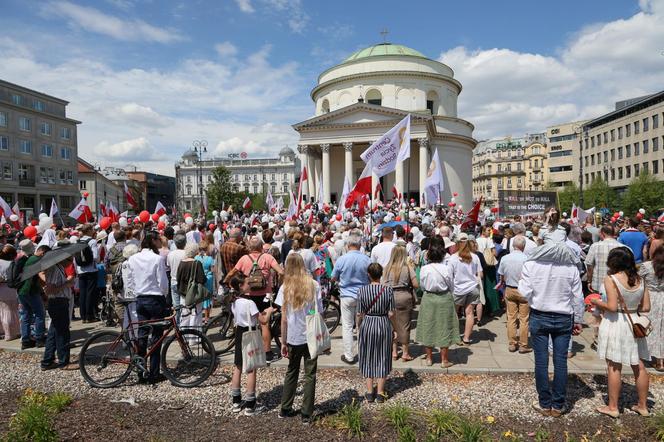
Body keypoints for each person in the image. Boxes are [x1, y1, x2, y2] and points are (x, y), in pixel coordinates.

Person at [518, 242, 584, 417]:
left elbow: (524, 291)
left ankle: (545, 403)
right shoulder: (571, 269)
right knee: (560, 361)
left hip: (540, 314)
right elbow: (578, 297)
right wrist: (578, 319)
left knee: (541, 361)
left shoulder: (531, 265)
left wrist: (536, 297)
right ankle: (558, 404)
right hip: (563, 316)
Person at [591, 247, 650, 417]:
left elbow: (611, 306)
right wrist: (632, 306)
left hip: (616, 323)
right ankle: (643, 405)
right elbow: (646, 307)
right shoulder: (640, 279)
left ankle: (613, 407)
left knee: (614, 366)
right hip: (634, 323)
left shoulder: (611, 279)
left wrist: (596, 301)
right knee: (638, 365)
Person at [276, 253, 323, 424]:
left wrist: (283, 341)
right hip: (310, 334)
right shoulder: (314, 285)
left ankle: (285, 407)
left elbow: (284, 318)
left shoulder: (285, 287)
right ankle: (306, 413)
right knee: (310, 374)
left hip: (294, 336)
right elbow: (319, 311)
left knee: (292, 371)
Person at [228, 236, 283, 363]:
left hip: (248, 295)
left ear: (250, 247)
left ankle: (248, 349)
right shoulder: (267, 257)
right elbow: (281, 272)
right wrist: (278, 285)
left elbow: (232, 273)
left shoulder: (244, 258)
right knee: (264, 324)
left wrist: (226, 281)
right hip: (264, 295)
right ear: (261, 246)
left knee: (248, 323)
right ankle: (267, 353)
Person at [126, 231, 169, 383]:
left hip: (140, 299)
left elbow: (130, 280)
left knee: (142, 335)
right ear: (154, 241)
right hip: (155, 298)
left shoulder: (133, 258)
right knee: (157, 336)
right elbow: (163, 282)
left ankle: (140, 370)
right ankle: (154, 373)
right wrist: (164, 295)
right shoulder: (157, 259)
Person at [415, 237, 459, 367]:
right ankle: (444, 360)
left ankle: (429, 358)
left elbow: (422, 286)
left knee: (428, 325)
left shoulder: (424, 269)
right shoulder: (447, 269)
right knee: (444, 326)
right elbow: (452, 286)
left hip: (428, 298)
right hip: (444, 297)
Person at [357, 263, 395, 402]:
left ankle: (369, 391)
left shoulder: (361, 291)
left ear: (368, 274)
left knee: (367, 355)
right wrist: (394, 328)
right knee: (383, 355)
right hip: (383, 323)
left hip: (368, 324)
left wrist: (358, 326)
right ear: (381, 274)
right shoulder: (388, 290)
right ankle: (380, 392)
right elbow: (391, 313)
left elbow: (360, 313)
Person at [331, 230, 370, 364]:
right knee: (362, 325)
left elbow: (333, 277)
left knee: (347, 326)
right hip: (363, 295)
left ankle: (349, 355)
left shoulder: (342, 259)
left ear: (348, 245)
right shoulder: (366, 259)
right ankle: (364, 353)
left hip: (347, 294)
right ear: (360, 245)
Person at [227, 273, 264, 415]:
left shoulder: (235, 301)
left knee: (238, 366)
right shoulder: (250, 303)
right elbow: (263, 320)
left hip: (239, 333)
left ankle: (236, 401)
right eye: (248, 282)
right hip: (250, 334)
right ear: (241, 286)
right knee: (251, 368)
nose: (250, 284)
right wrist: (269, 311)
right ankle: (250, 404)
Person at [39, 246, 75, 370]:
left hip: (58, 302)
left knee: (53, 332)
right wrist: (67, 284)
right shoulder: (54, 268)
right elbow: (50, 289)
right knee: (62, 333)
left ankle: (47, 361)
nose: (71, 260)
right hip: (58, 302)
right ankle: (64, 362)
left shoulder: (58, 267)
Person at [381, 245, 418, 362]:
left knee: (392, 325)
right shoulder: (407, 268)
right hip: (404, 296)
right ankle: (405, 353)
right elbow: (416, 284)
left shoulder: (386, 268)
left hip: (389, 297)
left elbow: (383, 285)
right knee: (405, 325)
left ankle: (394, 351)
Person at [496, 236, 531, 353]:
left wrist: (501, 282)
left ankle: (512, 343)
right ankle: (523, 344)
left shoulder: (505, 258)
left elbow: (501, 274)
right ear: (523, 246)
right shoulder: (528, 259)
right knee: (524, 319)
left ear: (513, 246)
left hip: (510, 288)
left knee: (511, 317)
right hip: (523, 290)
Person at [448, 236, 482, 345]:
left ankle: (456, 336)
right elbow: (480, 273)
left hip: (458, 289)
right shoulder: (475, 257)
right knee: (470, 313)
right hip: (473, 287)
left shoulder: (453, 258)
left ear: (457, 244)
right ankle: (466, 338)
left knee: (455, 313)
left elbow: (449, 275)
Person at [638, 246, 664, 371]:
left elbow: (638, 280)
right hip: (663, 296)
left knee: (647, 326)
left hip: (649, 297)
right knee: (661, 329)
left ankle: (644, 355)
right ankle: (660, 361)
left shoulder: (647, 266)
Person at [17, 240, 47, 349]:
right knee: (39, 313)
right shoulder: (34, 259)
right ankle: (39, 338)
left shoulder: (22, 258)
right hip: (31, 291)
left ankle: (25, 340)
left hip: (21, 290)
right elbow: (38, 277)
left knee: (25, 315)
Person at [176, 243, 208, 332]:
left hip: (183, 293)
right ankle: (194, 338)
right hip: (194, 294)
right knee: (195, 315)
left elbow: (178, 277)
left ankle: (184, 336)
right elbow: (202, 279)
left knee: (185, 315)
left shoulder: (181, 263)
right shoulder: (197, 263)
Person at [76, 224, 100, 323]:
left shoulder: (78, 241)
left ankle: (83, 316)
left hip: (81, 270)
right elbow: (95, 257)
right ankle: (90, 316)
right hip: (91, 270)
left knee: (83, 293)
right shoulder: (92, 241)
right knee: (90, 293)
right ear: (89, 230)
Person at [0, 245, 20, 341]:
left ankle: (2, 332)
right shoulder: (11, 264)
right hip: (9, 288)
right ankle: (10, 334)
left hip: (1, 288)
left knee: (2, 311)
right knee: (10, 311)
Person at [166, 234, 187, 323]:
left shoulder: (170, 254)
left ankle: (178, 324)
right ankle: (183, 324)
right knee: (185, 304)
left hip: (174, 281)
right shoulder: (186, 253)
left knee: (176, 305)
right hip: (183, 282)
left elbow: (168, 265)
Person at [195, 240, 216, 324]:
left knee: (201, 297)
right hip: (208, 279)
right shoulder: (210, 258)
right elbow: (213, 270)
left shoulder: (196, 258)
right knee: (207, 298)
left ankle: (201, 316)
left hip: (199, 279)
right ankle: (207, 317)